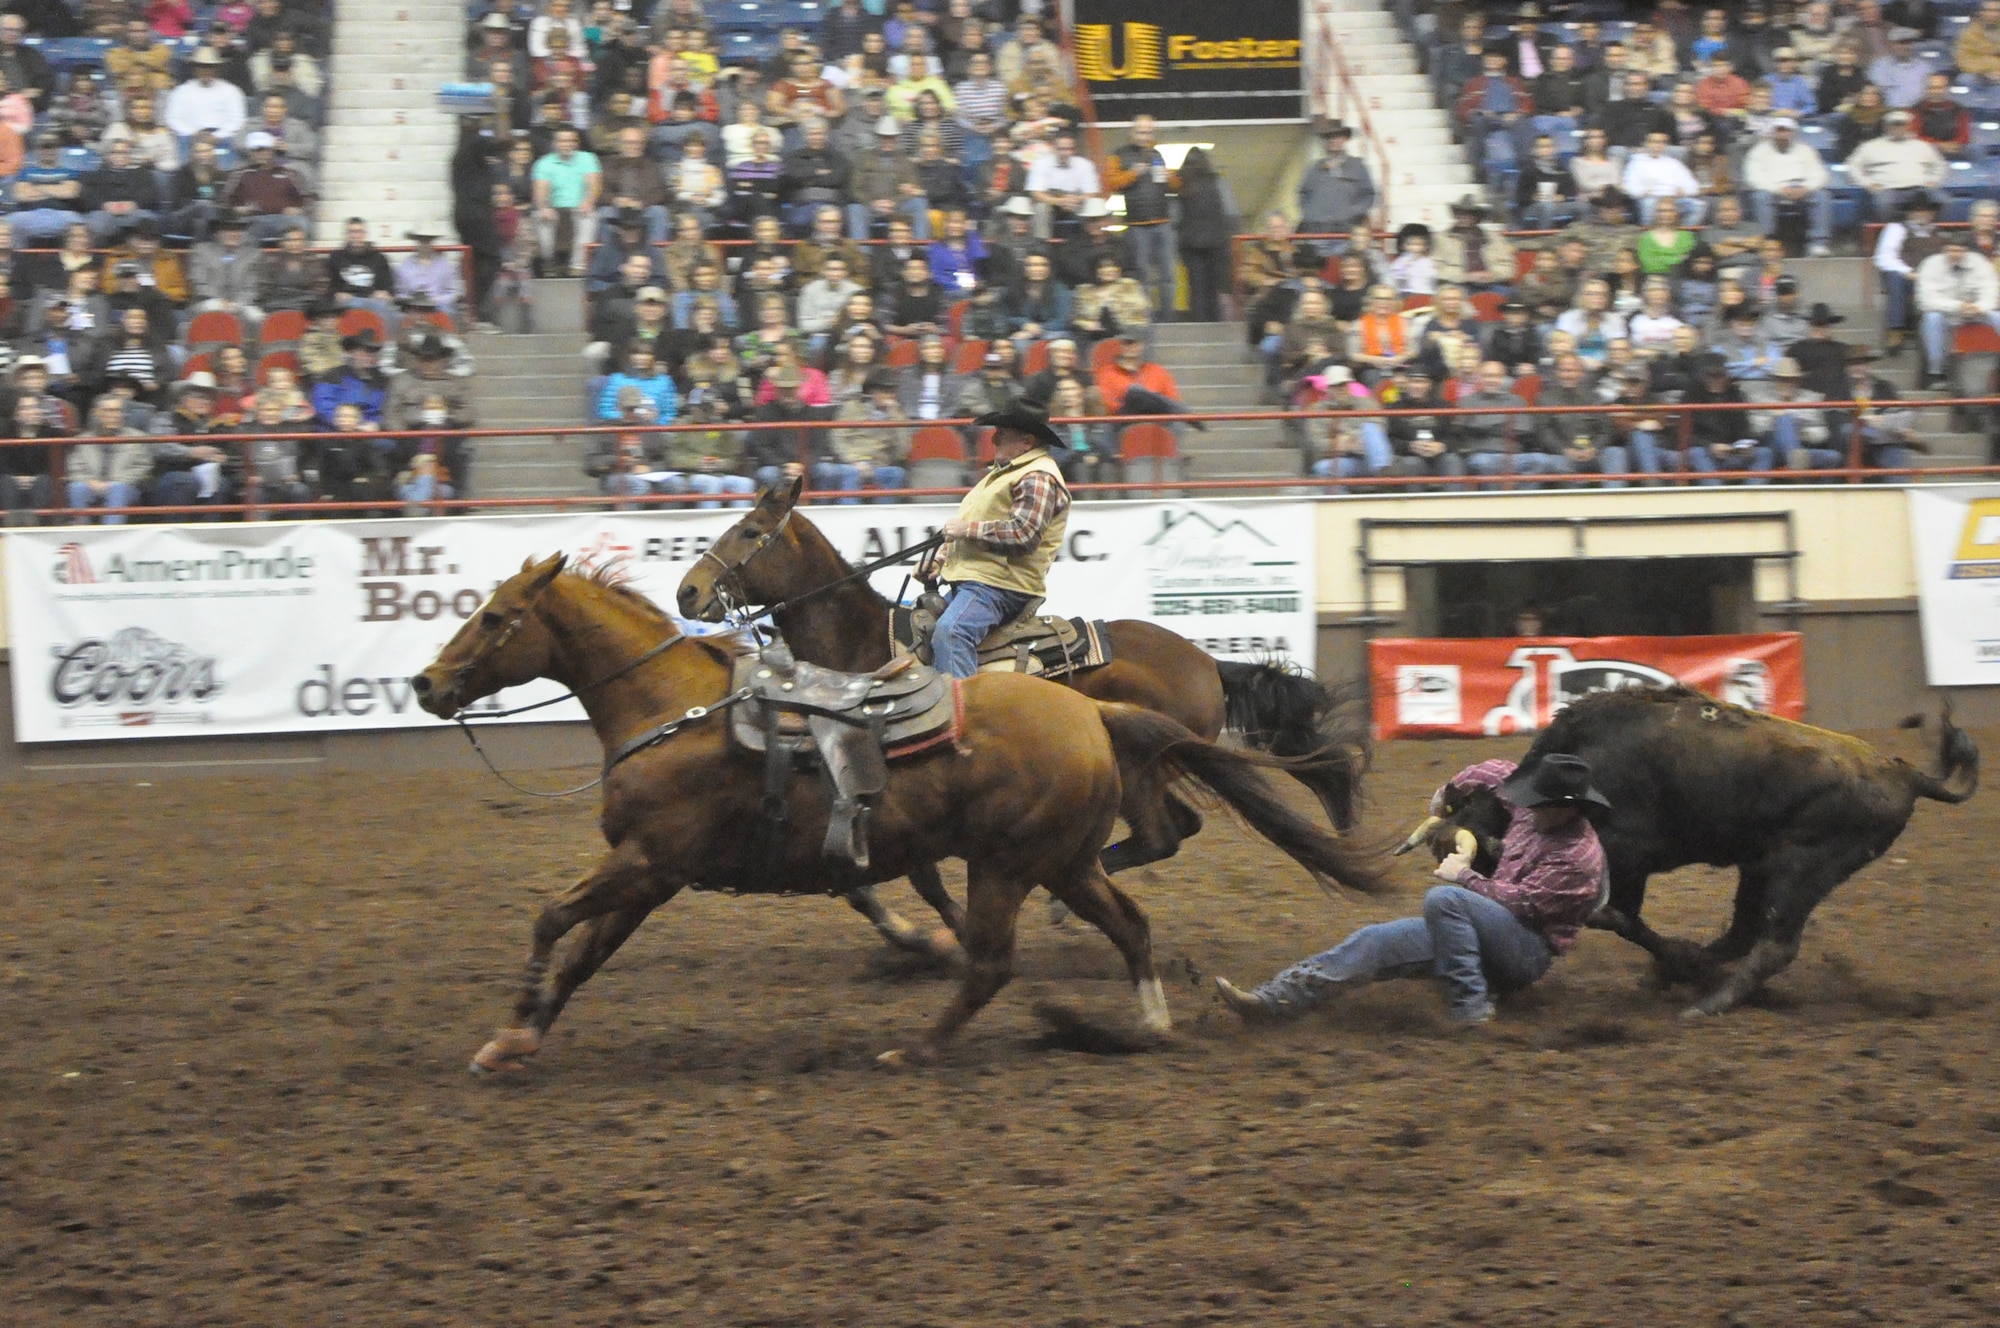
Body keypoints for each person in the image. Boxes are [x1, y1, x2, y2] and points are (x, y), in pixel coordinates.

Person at [1215, 756, 1610, 1026]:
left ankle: (1470, 1007)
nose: (1531, 809)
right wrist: (1448, 791)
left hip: (1525, 950)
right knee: (1375, 940)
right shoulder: (1534, 813)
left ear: (1569, 808)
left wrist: (1464, 875)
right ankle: (1273, 1000)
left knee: (1445, 900)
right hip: (1484, 930)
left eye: (1540, 805)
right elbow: (1494, 773)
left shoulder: (1578, 857)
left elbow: (1523, 904)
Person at [917, 402, 1070, 679]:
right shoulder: (1007, 472)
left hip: (1002, 586)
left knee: (952, 632)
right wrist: (941, 559)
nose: (994, 437)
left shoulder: (1038, 476)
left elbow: (1024, 534)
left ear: (1027, 441)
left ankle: (962, 715)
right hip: (982, 581)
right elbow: (978, 530)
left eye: (1003, 432)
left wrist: (966, 530)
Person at [1742, 112, 1834, 257]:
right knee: (1760, 197)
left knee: (1822, 196)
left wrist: (1806, 188)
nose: (1783, 133)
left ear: (1793, 132)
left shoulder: (1806, 150)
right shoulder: (1758, 151)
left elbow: (1821, 175)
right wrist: (1779, 189)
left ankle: (1818, 244)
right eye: (1779, 130)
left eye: (1786, 130)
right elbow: (1753, 178)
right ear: (1773, 132)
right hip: (1773, 191)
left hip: (1802, 190)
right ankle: (1767, 242)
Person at [1915, 232, 2000, 387]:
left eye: (1959, 250)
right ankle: (1937, 372)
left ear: (1966, 250)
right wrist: (1958, 306)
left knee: (1997, 317)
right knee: (1932, 318)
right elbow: (1926, 300)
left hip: (1975, 313)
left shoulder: (1979, 263)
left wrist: (1979, 307)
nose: (1955, 254)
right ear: (1944, 250)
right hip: (1947, 315)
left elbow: (1990, 290)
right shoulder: (1930, 265)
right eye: (1951, 250)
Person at [531, 125, 601, 277]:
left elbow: (594, 184)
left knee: (589, 217)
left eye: (571, 141)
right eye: (562, 141)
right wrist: (544, 207)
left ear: (576, 143)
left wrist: (588, 201)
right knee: (540, 217)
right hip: (554, 208)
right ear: (554, 143)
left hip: (580, 208)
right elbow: (541, 190)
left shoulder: (588, 159)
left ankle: (578, 266)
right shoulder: (544, 163)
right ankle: (549, 264)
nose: (567, 144)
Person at [1298, 122, 1375, 248]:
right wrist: (1312, 215)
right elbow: (1303, 194)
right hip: (1318, 234)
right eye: (1329, 137)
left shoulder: (1358, 166)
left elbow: (1368, 194)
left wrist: (1352, 213)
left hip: (1348, 234)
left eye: (1337, 136)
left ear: (1345, 139)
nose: (1333, 140)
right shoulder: (1313, 169)